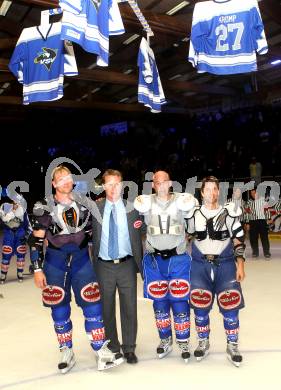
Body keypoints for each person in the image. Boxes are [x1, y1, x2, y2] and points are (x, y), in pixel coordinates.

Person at [29, 165, 124, 373]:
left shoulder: (85, 203)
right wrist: (37, 269)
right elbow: (36, 240)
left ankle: (101, 351)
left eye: (68, 177)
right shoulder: (43, 205)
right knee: (59, 307)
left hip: (81, 260)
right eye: (60, 178)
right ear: (53, 184)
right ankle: (66, 350)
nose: (65, 181)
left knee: (92, 304)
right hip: (55, 263)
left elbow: (95, 234)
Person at [78, 169, 144, 364]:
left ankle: (129, 348)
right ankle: (113, 346)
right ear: (104, 186)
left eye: (117, 183)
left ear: (122, 185)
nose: (113, 187)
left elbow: (147, 229)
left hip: (127, 264)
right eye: (109, 183)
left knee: (129, 307)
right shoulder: (95, 209)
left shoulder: (133, 209)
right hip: (103, 266)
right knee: (106, 308)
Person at [134, 170, 196, 363]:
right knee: (159, 303)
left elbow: (193, 228)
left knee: (179, 301)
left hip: (178, 259)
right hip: (154, 260)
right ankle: (165, 339)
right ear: (153, 184)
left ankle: (183, 340)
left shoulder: (182, 201)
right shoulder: (144, 203)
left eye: (164, 181)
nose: (161, 185)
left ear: (170, 183)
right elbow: (136, 225)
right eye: (157, 182)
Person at [186, 176, 246, 367]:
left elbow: (238, 240)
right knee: (200, 307)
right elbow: (184, 237)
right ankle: (203, 341)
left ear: (218, 192)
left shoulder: (228, 213)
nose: (211, 193)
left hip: (226, 265)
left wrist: (241, 265)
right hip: (199, 265)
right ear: (202, 192)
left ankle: (232, 344)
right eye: (208, 189)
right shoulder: (193, 214)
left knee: (231, 307)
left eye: (215, 189)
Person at [0, 200, 30, 284]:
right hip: (9, 234)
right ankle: (3, 274)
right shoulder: (4, 206)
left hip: (20, 233)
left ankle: (20, 272)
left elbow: (27, 223)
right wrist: (13, 210)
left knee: (21, 253)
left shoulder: (23, 210)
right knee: (6, 252)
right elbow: (4, 219)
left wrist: (27, 235)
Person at [244, 188, 271, 259]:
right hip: (253, 221)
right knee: (253, 238)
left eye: (254, 193)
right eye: (251, 193)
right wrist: (247, 223)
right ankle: (255, 253)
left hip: (262, 221)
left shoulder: (263, 200)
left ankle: (267, 253)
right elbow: (247, 213)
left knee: (264, 238)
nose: (253, 194)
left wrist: (268, 219)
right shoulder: (249, 202)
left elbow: (267, 210)